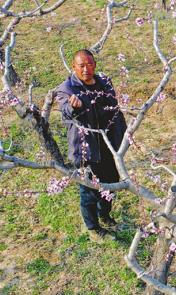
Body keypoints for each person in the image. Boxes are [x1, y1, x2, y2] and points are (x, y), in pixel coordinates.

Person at [57, 49, 127, 243]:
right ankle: (93, 229)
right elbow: (65, 110)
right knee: (88, 192)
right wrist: (74, 107)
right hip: (85, 149)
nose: (86, 69)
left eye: (89, 64)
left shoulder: (104, 83)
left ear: (95, 64)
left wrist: (122, 137)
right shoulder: (67, 88)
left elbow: (116, 111)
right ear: (74, 67)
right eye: (81, 66)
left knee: (111, 183)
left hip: (108, 145)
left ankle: (104, 216)